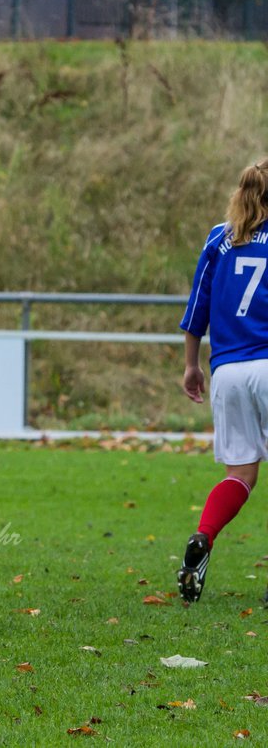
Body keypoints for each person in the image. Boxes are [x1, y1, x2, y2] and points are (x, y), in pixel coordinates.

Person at [178, 157, 268, 603]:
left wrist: (192, 365)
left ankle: (203, 537)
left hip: (228, 370)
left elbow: (197, 308)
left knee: (241, 473)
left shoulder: (220, 238)